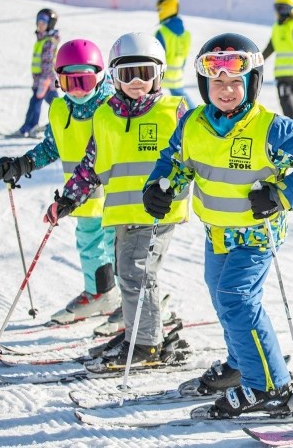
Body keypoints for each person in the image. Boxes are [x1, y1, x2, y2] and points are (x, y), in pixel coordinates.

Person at [143, 32, 293, 417]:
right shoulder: (192, 123)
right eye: (217, 82)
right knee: (224, 300)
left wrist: (280, 195)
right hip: (218, 233)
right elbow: (174, 163)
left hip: (257, 233)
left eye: (235, 82)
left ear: (252, 83)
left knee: (237, 298)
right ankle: (243, 363)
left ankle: (271, 386)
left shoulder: (271, 128)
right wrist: (158, 189)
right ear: (205, 84)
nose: (225, 90)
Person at [43, 32, 190, 368]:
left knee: (138, 272)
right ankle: (136, 331)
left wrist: (172, 186)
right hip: (120, 212)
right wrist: (68, 200)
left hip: (157, 212)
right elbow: (90, 165)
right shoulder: (106, 115)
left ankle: (146, 344)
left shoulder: (174, 110)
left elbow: (194, 156)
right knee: (127, 274)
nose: (136, 82)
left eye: (144, 73)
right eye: (127, 74)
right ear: (113, 77)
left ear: (159, 74)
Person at [0, 39, 119, 325]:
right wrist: (22, 164)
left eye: (85, 81)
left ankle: (130, 299)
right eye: (69, 81)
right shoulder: (60, 109)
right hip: (81, 197)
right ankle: (97, 293)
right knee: (88, 244)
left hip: (116, 195)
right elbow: (51, 147)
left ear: (100, 76)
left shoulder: (112, 107)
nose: (77, 90)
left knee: (119, 247)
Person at [10, 8, 60, 138]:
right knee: (52, 104)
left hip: (46, 80)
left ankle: (31, 127)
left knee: (39, 103)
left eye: (44, 21)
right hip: (41, 80)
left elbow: (48, 62)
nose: (40, 24)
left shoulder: (49, 41)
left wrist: (44, 80)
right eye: (39, 21)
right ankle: (28, 127)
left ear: (50, 24)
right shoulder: (42, 39)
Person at [155, 0, 195, 109]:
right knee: (181, 97)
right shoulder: (186, 34)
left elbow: (156, 56)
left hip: (161, 76)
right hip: (177, 75)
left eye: (159, 9)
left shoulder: (162, 32)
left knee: (151, 100)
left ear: (166, 9)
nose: (158, 12)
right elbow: (185, 55)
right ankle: (195, 113)